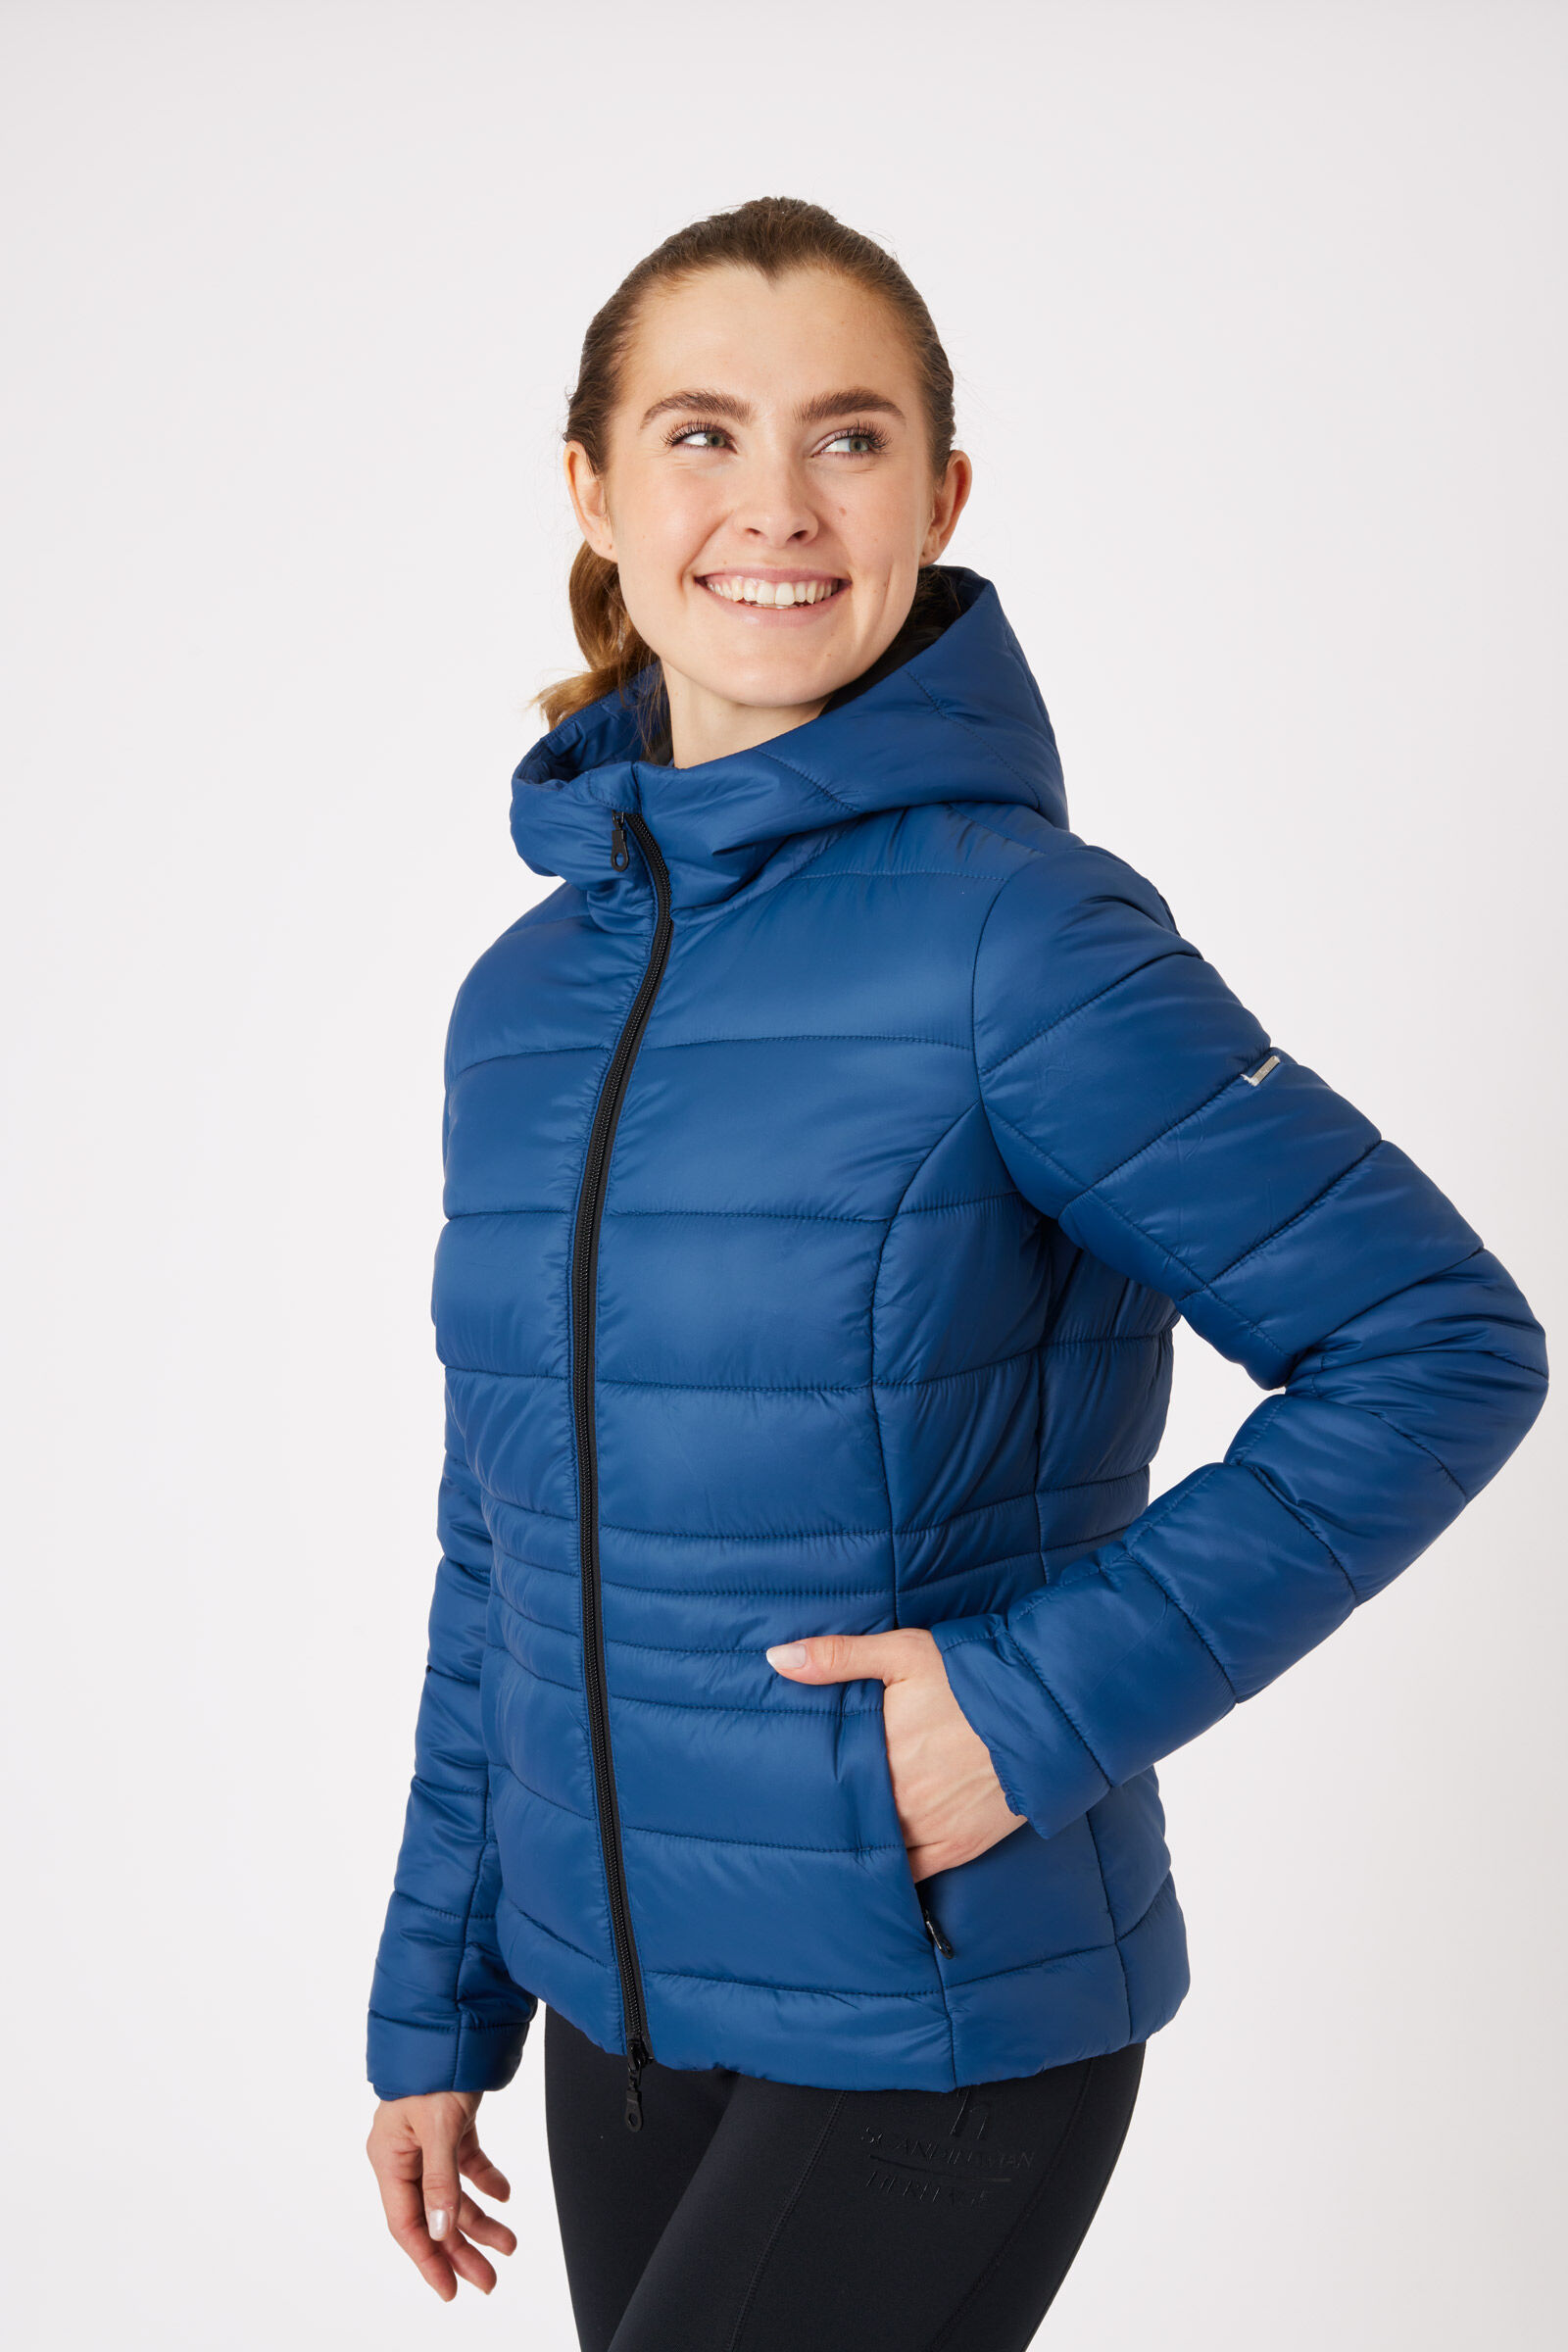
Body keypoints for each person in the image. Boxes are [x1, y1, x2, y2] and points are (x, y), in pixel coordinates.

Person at [364, 197, 1548, 2348]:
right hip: (613, 2013)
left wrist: (1022, 1711)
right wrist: (436, 2002)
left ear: (939, 497)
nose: (776, 506)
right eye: (703, 435)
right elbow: (499, 1539)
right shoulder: (519, 1004)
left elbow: (1434, 1345)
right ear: (595, 492)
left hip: (928, 2007)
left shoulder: (1021, 933)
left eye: (848, 437)